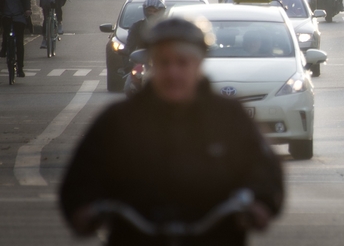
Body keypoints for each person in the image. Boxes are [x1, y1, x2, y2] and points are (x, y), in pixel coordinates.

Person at [59, 18, 284, 245]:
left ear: (198, 64)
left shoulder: (230, 117)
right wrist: (83, 208)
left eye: (182, 62)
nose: (173, 73)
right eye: (164, 62)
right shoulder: (118, 120)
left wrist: (260, 202)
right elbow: (81, 176)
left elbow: (264, 169)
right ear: (152, 65)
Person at [0, 0, 32, 77]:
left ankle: (20, 68)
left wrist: (27, 10)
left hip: (19, 16)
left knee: (19, 42)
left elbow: (26, 0)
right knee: (6, 32)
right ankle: (4, 49)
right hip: (6, 16)